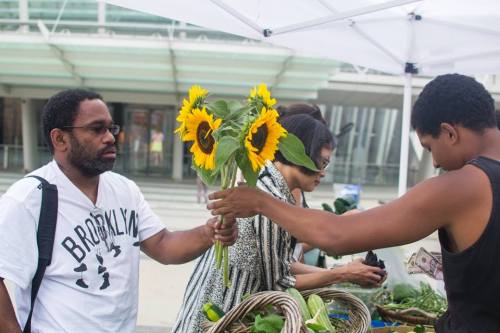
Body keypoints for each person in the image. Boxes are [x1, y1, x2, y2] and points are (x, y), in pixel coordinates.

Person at [208, 74, 500, 333]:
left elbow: (337, 237)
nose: (435, 162)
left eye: (429, 148)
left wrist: (260, 202)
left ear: (449, 133)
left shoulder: (464, 185)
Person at [0, 89, 238, 333]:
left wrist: (209, 233)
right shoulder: (29, 199)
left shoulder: (124, 190)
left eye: (111, 128)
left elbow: (163, 244)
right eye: (96, 129)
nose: (110, 138)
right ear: (60, 139)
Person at [173, 114, 385, 333]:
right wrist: (343, 274)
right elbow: (280, 284)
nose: (323, 172)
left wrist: (344, 270)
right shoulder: (268, 198)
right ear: (300, 153)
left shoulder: (265, 184)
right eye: (322, 162)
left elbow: (280, 264)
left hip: (215, 306)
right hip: (225, 313)